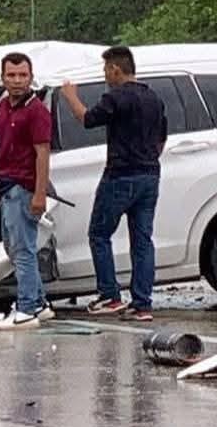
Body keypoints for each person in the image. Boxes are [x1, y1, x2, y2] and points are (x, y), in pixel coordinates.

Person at [59, 46, 167, 323]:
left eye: (106, 69)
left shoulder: (116, 97)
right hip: (150, 175)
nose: (104, 74)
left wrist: (71, 97)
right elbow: (161, 139)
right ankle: (142, 304)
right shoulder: (154, 97)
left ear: (116, 70)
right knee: (142, 240)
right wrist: (148, 158)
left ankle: (110, 295)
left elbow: (87, 120)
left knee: (99, 233)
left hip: (120, 175)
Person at [0, 53, 55, 331]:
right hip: (5, 185)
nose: (17, 81)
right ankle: (39, 302)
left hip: (24, 187)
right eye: (11, 75)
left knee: (23, 249)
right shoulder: (3, 107)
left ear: (31, 76)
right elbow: (3, 148)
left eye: (22, 75)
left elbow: (43, 154)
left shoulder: (36, 110)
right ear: (3, 77)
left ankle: (26, 308)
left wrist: (39, 194)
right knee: (12, 247)